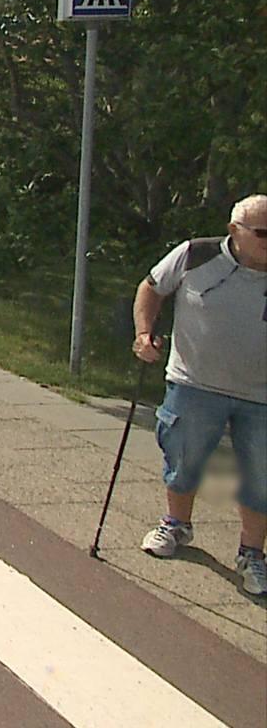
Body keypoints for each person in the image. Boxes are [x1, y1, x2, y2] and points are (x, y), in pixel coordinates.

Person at [132, 194, 267, 597]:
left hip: (261, 395)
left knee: (261, 476)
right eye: (263, 233)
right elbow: (151, 288)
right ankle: (176, 525)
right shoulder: (195, 255)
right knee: (183, 458)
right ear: (234, 231)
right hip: (194, 383)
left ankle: (252, 554)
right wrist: (144, 334)